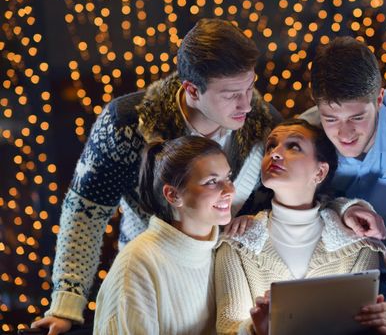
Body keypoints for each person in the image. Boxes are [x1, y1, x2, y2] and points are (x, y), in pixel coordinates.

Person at [32, 18, 280, 334]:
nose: (246, 103)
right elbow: (85, 210)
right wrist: (66, 304)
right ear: (191, 89)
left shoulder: (264, 127)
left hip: (228, 282)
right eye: (231, 94)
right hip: (151, 276)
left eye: (250, 87)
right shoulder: (126, 122)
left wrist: (258, 218)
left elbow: (291, 197)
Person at [215, 119, 386, 334]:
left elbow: (362, 326)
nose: (275, 153)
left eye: (294, 147)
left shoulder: (358, 244)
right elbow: (227, 326)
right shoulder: (237, 243)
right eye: (271, 146)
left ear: (320, 172)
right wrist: (254, 329)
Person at [301, 36, 386, 309]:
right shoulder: (306, 135)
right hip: (354, 278)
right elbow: (305, 206)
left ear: (379, 97)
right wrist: (344, 208)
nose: (344, 133)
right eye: (331, 119)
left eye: (357, 117)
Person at [93, 136, 234, 334]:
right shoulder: (137, 265)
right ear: (173, 195)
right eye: (212, 182)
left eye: (228, 177)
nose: (229, 190)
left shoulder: (226, 251)